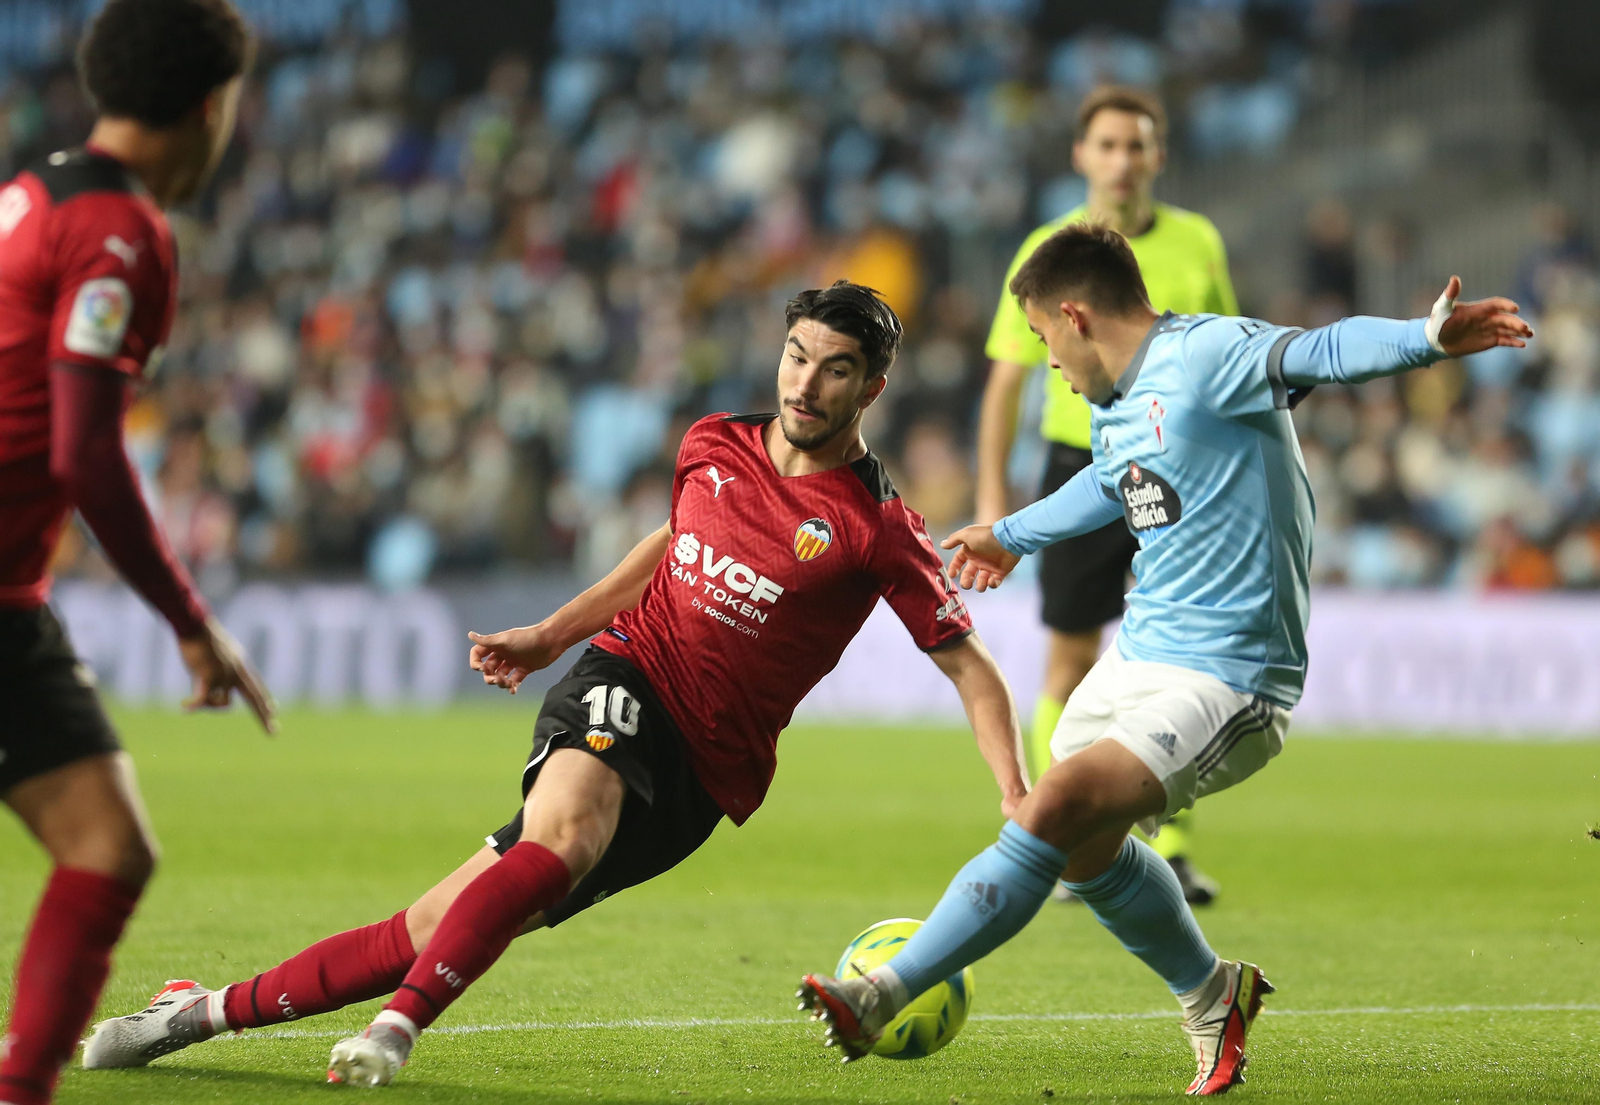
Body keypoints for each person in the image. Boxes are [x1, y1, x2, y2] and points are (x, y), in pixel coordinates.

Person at [82, 281, 1030, 1088]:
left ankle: (197, 1010)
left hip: (705, 776)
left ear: (872, 386)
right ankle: (397, 1028)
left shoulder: (877, 528)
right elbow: (670, 546)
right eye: (796, 357)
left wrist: (1015, 793)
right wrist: (551, 636)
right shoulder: (713, 442)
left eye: (834, 369)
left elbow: (970, 664)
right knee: (567, 834)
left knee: (431, 925)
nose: (805, 384)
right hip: (631, 673)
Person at [798, 226, 1530, 1095]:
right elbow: (1111, 480)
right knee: (1081, 849)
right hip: (1138, 657)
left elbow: (1323, 350)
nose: (1049, 362)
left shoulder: (1207, 353)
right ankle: (1213, 992)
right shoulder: (1116, 400)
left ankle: (878, 994)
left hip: (1231, 675)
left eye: (1042, 337)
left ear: (1074, 316)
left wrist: (1423, 337)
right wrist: (1012, 535)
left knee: (1052, 806)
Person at [0, 4, 274, 1105]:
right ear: (210, 108)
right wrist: (190, 620)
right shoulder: (120, 231)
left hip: (10, 594)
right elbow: (86, 451)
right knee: (105, 849)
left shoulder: (33, 193)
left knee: (106, 846)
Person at [976, 86, 1236, 904]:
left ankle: (1174, 849)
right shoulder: (1047, 250)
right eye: (1108, 145)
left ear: (1158, 156)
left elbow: (1226, 354)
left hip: (1179, 465)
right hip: (1078, 463)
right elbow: (1005, 384)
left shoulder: (1198, 242)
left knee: (1182, 660)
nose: (1122, 160)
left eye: (1136, 145)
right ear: (1081, 156)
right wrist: (994, 497)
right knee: (1072, 657)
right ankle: (1063, 834)